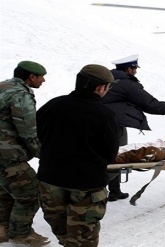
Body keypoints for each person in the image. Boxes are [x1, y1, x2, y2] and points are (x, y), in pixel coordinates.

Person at [36, 64, 119, 246]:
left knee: (61, 228)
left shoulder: (53, 104)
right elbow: (110, 153)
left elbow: (38, 135)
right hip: (86, 185)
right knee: (83, 234)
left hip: (50, 180)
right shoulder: (104, 115)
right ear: (100, 87)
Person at [101, 54, 165, 202]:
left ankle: (115, 191)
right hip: (112, 125)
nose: (136, 72)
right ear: (129, 69)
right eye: (135, 69)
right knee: (118, 155)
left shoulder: (105, 79)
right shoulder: (127, 83)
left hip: (93, 121)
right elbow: (149, 103)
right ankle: (97, 188)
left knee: (106, 155)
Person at [0, 61, 50, 246]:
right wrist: (43, 154)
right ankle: (21, 234)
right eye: (41, 77)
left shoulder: (3, 86)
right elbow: (28, 131)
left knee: (5, 191)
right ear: (31, 77)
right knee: (31, 192)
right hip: (7, 155)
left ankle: (2, 229)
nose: (43, 80)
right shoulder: (20, 94)